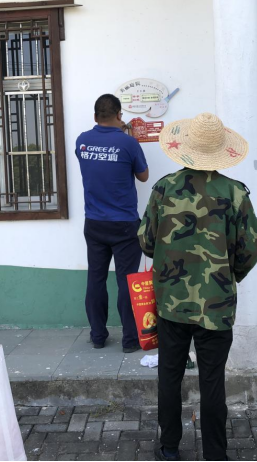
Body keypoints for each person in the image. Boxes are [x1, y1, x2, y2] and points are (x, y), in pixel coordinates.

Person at [139, 113, 257, 461]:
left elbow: (146, 241)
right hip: (216, 304)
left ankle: (169, 448)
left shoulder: (163, 189)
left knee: (169, 375)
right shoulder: (235, 193)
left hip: (171, 303)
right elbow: (251, 248)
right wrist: (227, 274)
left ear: (187, 148)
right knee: (212, 380)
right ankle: (215, 454)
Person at [76, 94, 149, 353]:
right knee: (127, 282)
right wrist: (127, 138)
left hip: (94, 222)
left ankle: (98, 336)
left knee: (95, 279)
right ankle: (130, 340)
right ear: (119, 115)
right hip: (125, 224)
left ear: (95, 116)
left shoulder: (82, 141)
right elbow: (143, 176)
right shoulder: (128, 143)